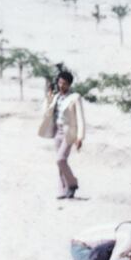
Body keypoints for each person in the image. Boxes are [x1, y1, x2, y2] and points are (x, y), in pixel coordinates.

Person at [38, 70, 85, 199]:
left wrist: (80, 137)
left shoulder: (75, 97)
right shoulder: (56, 96)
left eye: (64, 83)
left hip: (69, 133)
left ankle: (72, 183)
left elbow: (80, 118)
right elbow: (45, 112)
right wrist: (49, 97)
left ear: (69, 84)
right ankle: (63, 190)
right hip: (57, 131)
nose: (61, 86)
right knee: (60, 162)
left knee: (60, 159)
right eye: (59, 83)